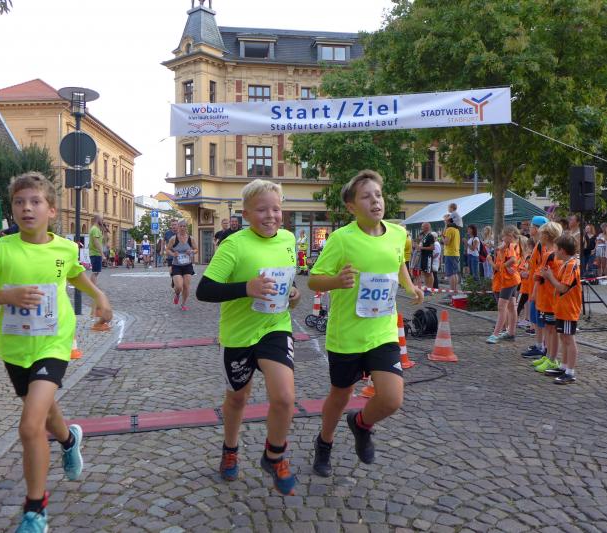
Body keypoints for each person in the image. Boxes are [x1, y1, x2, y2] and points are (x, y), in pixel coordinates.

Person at [0, 172, 112, 532]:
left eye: (35, 202)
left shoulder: (64, 248)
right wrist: (6, 295)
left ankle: (35, 510)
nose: (27, 208)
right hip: (16, 347)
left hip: (55, 342)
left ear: (51, 210)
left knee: (30, 424)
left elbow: (74, 273)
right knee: (45, 413)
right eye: (19, 202)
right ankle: (69, 439)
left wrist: (99, 295)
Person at [308, 170, 424, 477]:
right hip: (347, 335)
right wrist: (336, 280)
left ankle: (360, 424)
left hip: (382, 331)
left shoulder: (398, 234)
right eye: (366, 197)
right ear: (351, 207)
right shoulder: (341, 239)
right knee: (340, 396)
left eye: (378, 195)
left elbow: (398, 263)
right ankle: (324, 442)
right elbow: (314, 280)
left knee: (392, 398)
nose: (375, 201)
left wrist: (410, 287)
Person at [195, 179, 300, 495]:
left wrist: (293, 294)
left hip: (275, 327)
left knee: (284, 397)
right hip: (239, 336)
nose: (271, 216)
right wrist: (246, 288)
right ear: (246, 214)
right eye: (262, 210)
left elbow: (288, 283)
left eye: (276, 209)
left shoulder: (288, 239)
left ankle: (274, 454)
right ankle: (230, 449)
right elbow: (204, 290)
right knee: (237, 398)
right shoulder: (234, 245)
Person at [541, 233, 582, 384]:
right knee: (564, 337)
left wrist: (550, 276)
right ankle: (564, 366)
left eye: (556, 249)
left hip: (568, 308)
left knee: (569, 339)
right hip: (561, 308)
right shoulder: (566, 264)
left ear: (562, 251)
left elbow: (563, 288)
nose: (554, 252)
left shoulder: (571, 265)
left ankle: (570, 372)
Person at [530, 221, 564, 373]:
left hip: (550, 298)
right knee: (548, 329)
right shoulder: (549, 253)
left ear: (547, 236)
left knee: (552, 329)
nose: (539, 236)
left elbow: (542, 275)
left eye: (541, 234)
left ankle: (552, 358)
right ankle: (548, 355)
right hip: (546, 297)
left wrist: (538, 281)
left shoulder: (550, 255)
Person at [522, 216, 552, 359]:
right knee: (535, 319)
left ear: (537, 228)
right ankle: (539, 344)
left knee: (540, 320)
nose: (530, 228)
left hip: (538, 288)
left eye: (532, 226)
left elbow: (542, 269)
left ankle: (543, 347)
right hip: (533, 286)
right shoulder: (537, 245)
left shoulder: (542, 246)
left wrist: (535, 288)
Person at [487, 226, 522, 344]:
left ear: (510, 235)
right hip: (510, 279)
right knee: (512, 306)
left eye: (504, 236)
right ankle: (511, 332)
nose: (502, 238)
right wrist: (500, 252)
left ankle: (496, 334)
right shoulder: (512, 246)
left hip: (508, 280)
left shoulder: (511, 245)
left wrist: (504, 266)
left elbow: (512, 260)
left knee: (502, 307)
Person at [167, 220, 198, 311]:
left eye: (184, 226)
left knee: (186, 286)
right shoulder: (173, 239)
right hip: (176, 265)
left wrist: (191, 251)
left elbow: (196, 249)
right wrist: (173, 254)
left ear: (186, 227)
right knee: (179, 287)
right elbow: (167, 249)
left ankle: (183, 304)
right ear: (178, 227)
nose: (182, 228)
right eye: (181, 226)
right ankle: (177, 294)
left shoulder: (191, 239)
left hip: (187, 265)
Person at [443, 215, 461, 291]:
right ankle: (454, 290)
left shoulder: (449, 229)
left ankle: (452, 291)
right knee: (454, 273)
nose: (444, 222)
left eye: (445, 220)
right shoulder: (456, 230)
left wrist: (442, 238)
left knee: (451, 274)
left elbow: (446, 242)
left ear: (448, 221)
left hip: (450, 253)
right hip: (455, 253)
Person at [418, 222, 435, 290]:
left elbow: (432, 247)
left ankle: (430, 289)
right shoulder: (424, 236)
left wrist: (422, 248)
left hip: (428, 257)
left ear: (427, 227)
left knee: (429, 273)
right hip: (423, 256)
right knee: (425, 273)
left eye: (422, 226)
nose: (421, 228)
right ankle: (427, 288)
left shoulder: (430, 236)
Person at [88, 215, 104, 283]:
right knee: (95, 272)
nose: (102, 222)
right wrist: (102, 254)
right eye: (101, 220)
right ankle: (92, 286)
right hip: (96, 254)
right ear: (97, 220)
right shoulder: (95, 229)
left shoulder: (96, 229)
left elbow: (100, 241)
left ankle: (92, 286)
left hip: (95, 253)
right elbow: (96, 242)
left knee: (96, 272)